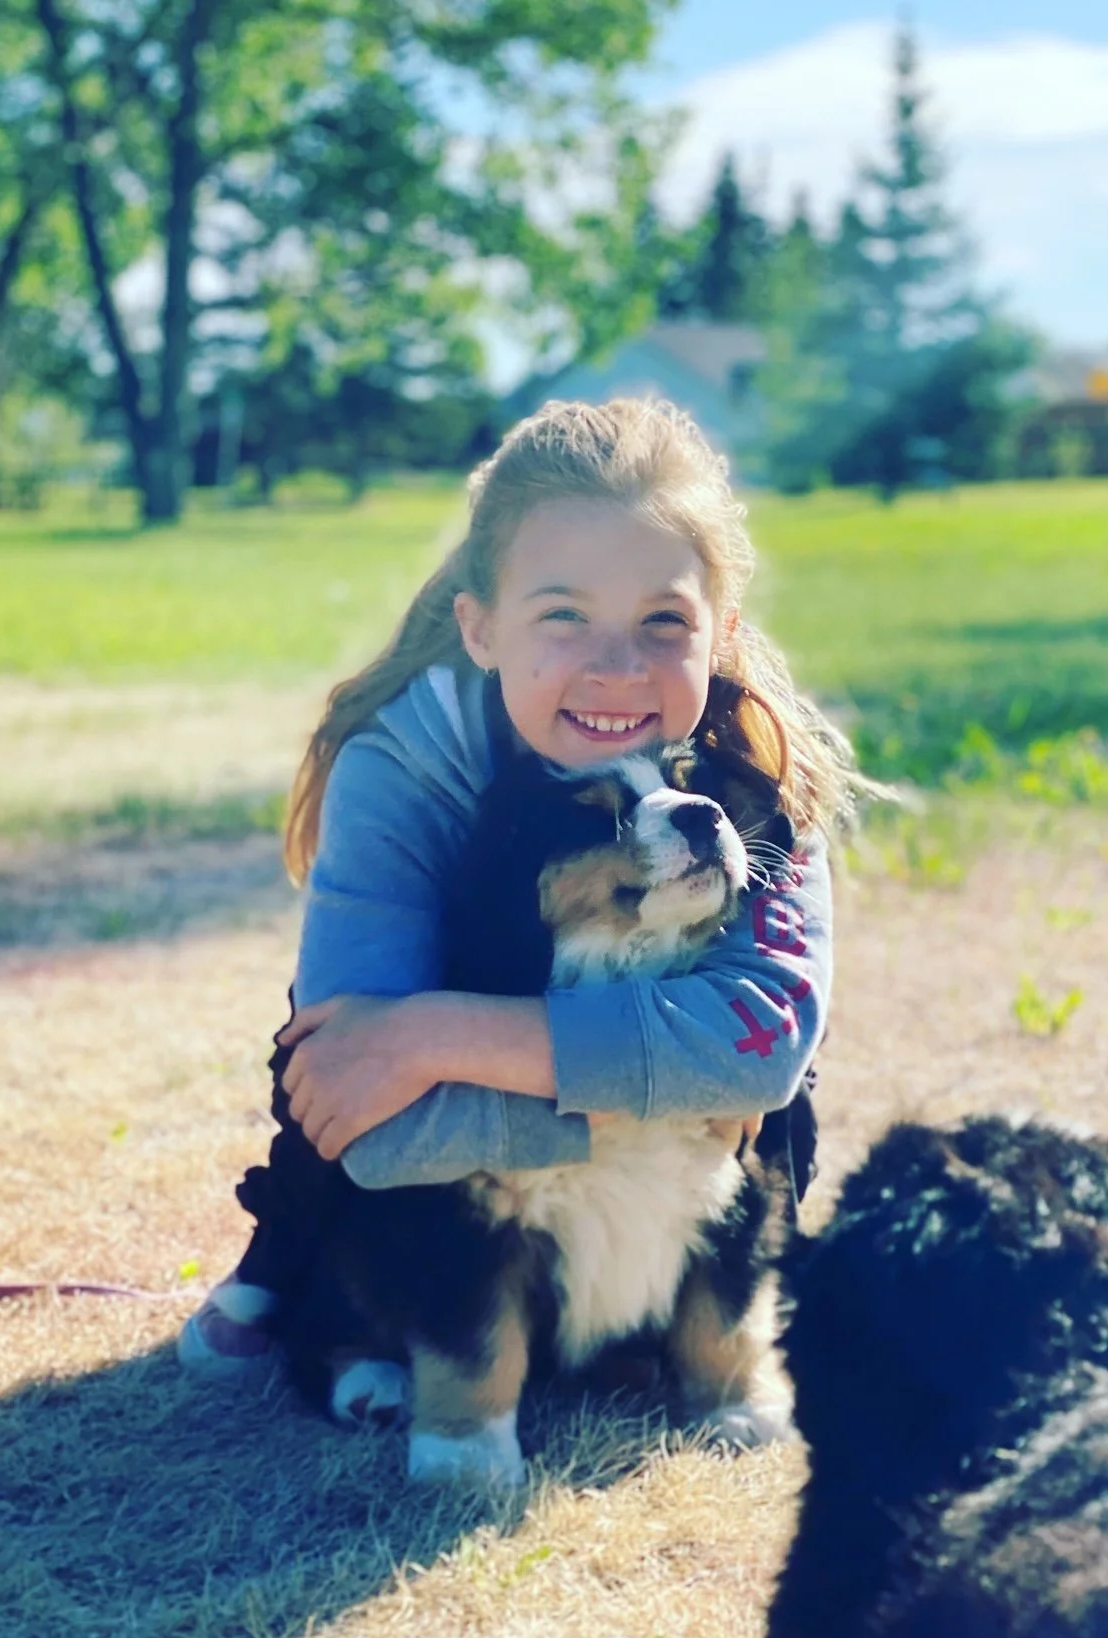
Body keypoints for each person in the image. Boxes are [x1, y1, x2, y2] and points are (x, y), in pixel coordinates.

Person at [178, 396, 860, 1404]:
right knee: (322, 1058)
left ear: (721, 635)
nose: (617, 668)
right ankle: (296, 1256)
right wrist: (663, 1114)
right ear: (483, 628)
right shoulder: (403, 764)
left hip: (616, 1127)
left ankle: (660, 1312)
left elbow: (758, 1052)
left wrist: (431, 1039)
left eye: (662, 623)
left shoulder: (746, 769)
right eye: (563, 616)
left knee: (778, 1107)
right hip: (499, 1122)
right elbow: (367, 1106)